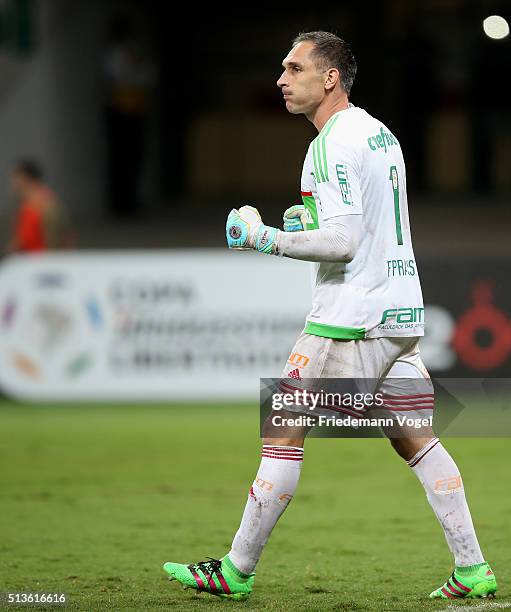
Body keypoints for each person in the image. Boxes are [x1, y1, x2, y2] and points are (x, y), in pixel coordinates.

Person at [163, 31, 497, 601]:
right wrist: (307, 220)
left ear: (330, 78)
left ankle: (236, 570)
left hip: (351, 315)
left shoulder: (332, 142)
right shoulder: (378, 131)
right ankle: (473, 569)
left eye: (294, 68)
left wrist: (264, 238)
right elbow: (362, 221)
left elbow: (343, 243)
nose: (281, 78)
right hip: (400, 310)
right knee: (415, 438)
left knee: (284, 428)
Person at [6, 159, 74, 253]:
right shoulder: (32, 203)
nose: (12, 182)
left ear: (25, 177)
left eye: (15, 176)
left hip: (40, 262)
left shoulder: (42, 204)